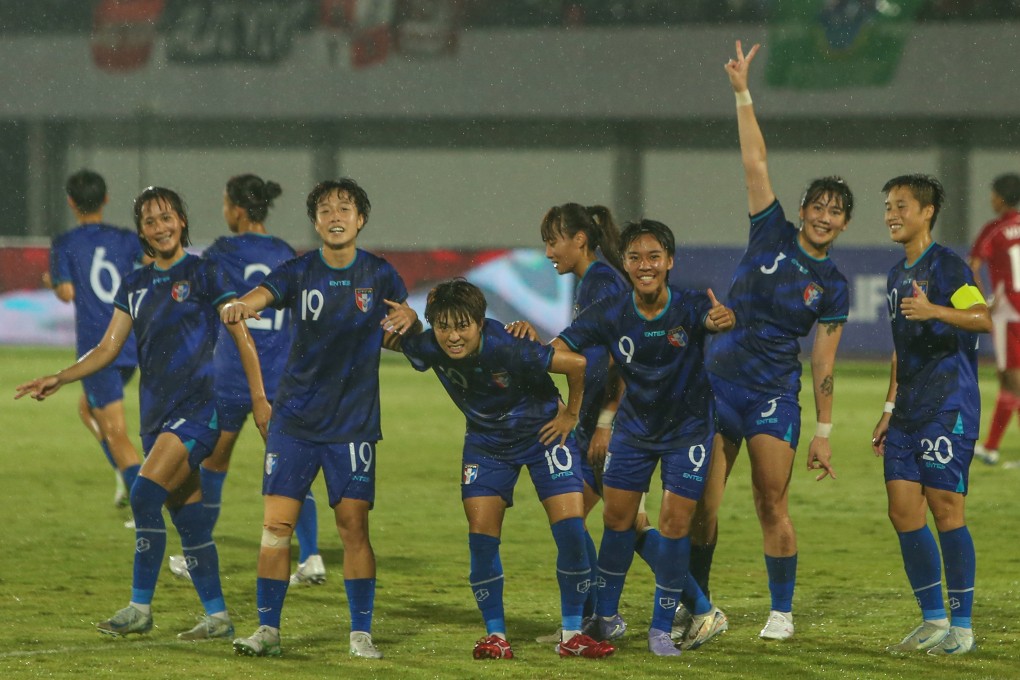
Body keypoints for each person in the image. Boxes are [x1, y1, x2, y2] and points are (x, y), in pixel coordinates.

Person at [16, 186, 269, 641]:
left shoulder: (204, 272)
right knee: (189, 520)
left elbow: (240, 334)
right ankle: (218, 617)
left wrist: (259, 398)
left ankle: (139, 607)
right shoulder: (134, 284)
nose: (160, 227)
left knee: (144, 496)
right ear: (142, 233)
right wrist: (61, 376)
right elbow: (109, 347)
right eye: (150, 222)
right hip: (155, 416)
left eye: (167, 217)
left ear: (182, 221)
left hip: (197, 412)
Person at [686, 40, 852, 642]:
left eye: (836, 212)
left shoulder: (832, 285)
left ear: (844, 225)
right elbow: (755, 163)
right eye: (818, 205)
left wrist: (826, 433)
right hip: (717, 384)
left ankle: (780, 610)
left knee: (769, 503)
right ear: (804, 208)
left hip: (772, 397)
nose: (824, 216)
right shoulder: (769, 232)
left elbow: (825, 361)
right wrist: (742, 93)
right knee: (701, 507)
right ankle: (696, 603)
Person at [226, 178, 418, 660]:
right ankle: (267, 630)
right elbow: (261, 296)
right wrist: (241, 306)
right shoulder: (299, 270)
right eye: (326, 209)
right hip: (295, 421)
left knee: (353, 529)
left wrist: (410, 322)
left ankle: (360, 633)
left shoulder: (380, 275)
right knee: (275, 527)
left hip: (352, 425)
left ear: (361, 219)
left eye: (345, 208)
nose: (335, 216)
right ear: (315, 221)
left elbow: (403, 323)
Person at [393, 278, 615, 660]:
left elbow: (576, 364)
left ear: (480, 322)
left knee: (572, 532)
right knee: (481, 538)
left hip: (544, 436)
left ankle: (573, 633)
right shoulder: (429, 344)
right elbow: (398, 340)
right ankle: (496, 637)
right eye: (443, 326)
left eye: (462, 326)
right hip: (487, 446)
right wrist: (412, 322)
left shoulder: (509, 346)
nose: (453, 336)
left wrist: (571, 415)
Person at [555, 219, 735, 656]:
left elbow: (713, 321)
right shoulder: (611, 311)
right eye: (635, 257)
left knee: (673, 527)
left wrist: (720, 320)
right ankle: (606, 620)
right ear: (625, 263)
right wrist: (530, 348)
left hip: (687, 432)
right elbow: (561, 345)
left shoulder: (691, 306)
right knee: (616, 522)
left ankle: (660, 628)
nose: (645, 265)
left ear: (670, 261)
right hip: (634, 432)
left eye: (654, 256)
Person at [166, 175, 325, 585]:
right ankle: (311, 557)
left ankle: (195, 552)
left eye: (224, 203)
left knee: (213, 463)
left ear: (236, 208)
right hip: (280, 377)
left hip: (232, 375)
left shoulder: (221, 252)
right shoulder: (286, 253)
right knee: (288, 466)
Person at [871, 173, 990, 656]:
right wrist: (888, 406)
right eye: (888, 206)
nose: (891, 214)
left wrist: (936, 310)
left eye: (901, 205)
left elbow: (982, 315)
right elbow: (901, 350)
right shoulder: (894, 275)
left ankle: (962, 626)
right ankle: (933, 619)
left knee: (945, 509)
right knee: (903, 511)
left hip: (948, 405)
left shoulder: (949, 268)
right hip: (908, 411)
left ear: (927, 212)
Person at [529, 203, 628, 640]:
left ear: (579, 240)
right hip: (596, 425)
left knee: (628, 526)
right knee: (577, 523)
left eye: (553, 241)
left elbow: (621, 360)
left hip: (613, 428)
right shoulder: (592, 284)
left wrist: (604, 420)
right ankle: (595, 621)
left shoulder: (603, 283)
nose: (548, 251)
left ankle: (700, 607)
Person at [46, 169, 144, 512]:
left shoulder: (65, 243)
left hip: (97, 349)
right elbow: (150, 267)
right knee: (87, 409)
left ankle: (144, 503)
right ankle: (124, 476)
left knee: (116, 432)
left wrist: (52, 281)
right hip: (129, 342)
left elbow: (67, 292)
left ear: (71, 203)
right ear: (105, 198)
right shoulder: (126, 238)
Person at [967, 173, 1020, 466]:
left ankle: (990, 447)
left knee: (1011, 379)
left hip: (1008, 310)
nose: (990, 199)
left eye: (992, 194)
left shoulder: (995, 229)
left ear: (1000, 197)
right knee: (1011, 381)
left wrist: (982, 301)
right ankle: (990, 447)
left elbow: (973, 265)